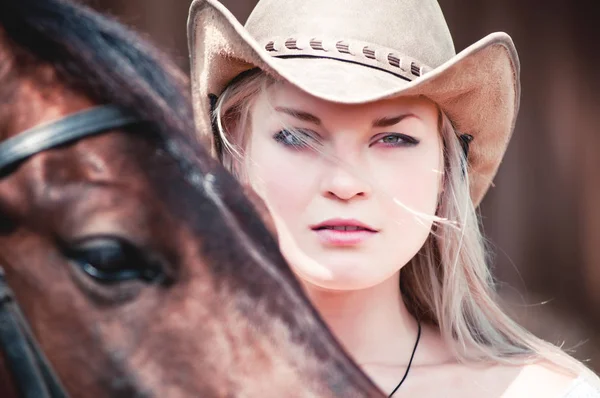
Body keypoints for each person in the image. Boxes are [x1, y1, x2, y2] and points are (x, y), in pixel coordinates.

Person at [187, 0, 600, 396]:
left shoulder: (544, 393)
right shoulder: (148, 379)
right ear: (234, 152)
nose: (345, 185)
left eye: (394, 138)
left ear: (446, 171)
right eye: (296, 136)